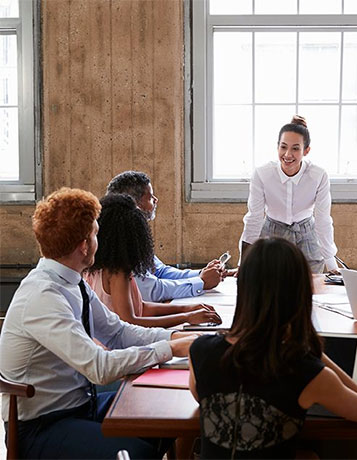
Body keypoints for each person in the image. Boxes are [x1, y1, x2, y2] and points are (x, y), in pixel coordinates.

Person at [0, 188, 199, 459]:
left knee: (169, 417)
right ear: (84, 245)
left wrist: (173, 338)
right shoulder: (42, 296)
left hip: (80, 407)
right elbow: (98, 368)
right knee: (139, 452)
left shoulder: (72, 280)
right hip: (41, 427)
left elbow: (117, 331)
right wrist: (171, 349)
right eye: (95, 233)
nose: (99, 240)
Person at [188, 238, 357, 458]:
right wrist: (314, 352)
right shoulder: (306, 370)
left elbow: (202, 398)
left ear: (243, 288)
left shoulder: (200, 350)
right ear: (300, 294)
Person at [85, 193, 221, 328]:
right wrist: (186, 318)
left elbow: (141, 307)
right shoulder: (117, 272)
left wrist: (186, 309)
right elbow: (130, 322)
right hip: (122, 345)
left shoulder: (96, 268)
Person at [239, 115, 338, 274]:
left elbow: (323, 220)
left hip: (307, 234)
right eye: (283, 147)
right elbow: (254, 218)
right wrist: (243, 262)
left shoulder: (318, 175)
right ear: (277, 147)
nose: (287, 154)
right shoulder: (262, 174)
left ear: (306, 150)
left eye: (295, 148)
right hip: (271, 235)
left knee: (310, 292)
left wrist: (331, 263)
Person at [106, 170, 223, 301]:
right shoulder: (120, 242)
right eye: (150, 197)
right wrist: (201, 282)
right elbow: (152, 290)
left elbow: (159, 271)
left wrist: (203, 273)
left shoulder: (134, 234)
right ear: (135, 204)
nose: (156, 200)